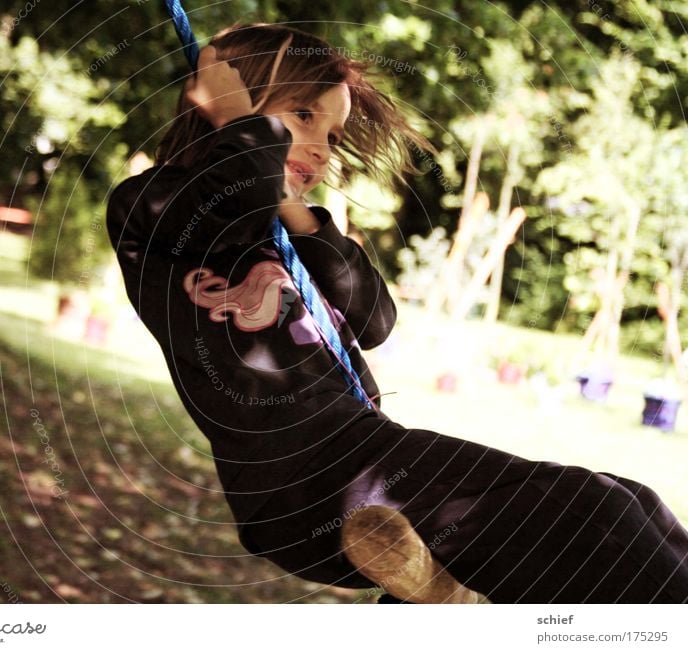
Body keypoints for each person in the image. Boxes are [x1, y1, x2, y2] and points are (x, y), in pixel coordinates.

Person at [105, 22, 688, 603]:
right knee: (592, 509)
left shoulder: (287, 233)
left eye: (333, 133)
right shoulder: (151, 207)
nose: (321, 148)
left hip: (366, 455)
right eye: (304, 116)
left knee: (629, 499)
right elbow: (231, 192)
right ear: (229, 103)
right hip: (301, 485)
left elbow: (376, 320)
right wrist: (237, 123)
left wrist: (305, 218)